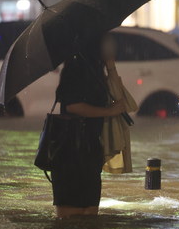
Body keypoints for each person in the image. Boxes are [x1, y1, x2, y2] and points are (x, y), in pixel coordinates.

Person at [51, 33, 127, 218]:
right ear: (94, 45)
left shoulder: (96, 69)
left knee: (90, 214)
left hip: (90, 150)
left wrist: (110, 66)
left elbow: (121, 101)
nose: (112, 45)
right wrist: (109, 111)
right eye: (106, 41)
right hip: (70, 151)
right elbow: (73, 106)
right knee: (69, 215)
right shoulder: (76, 67)